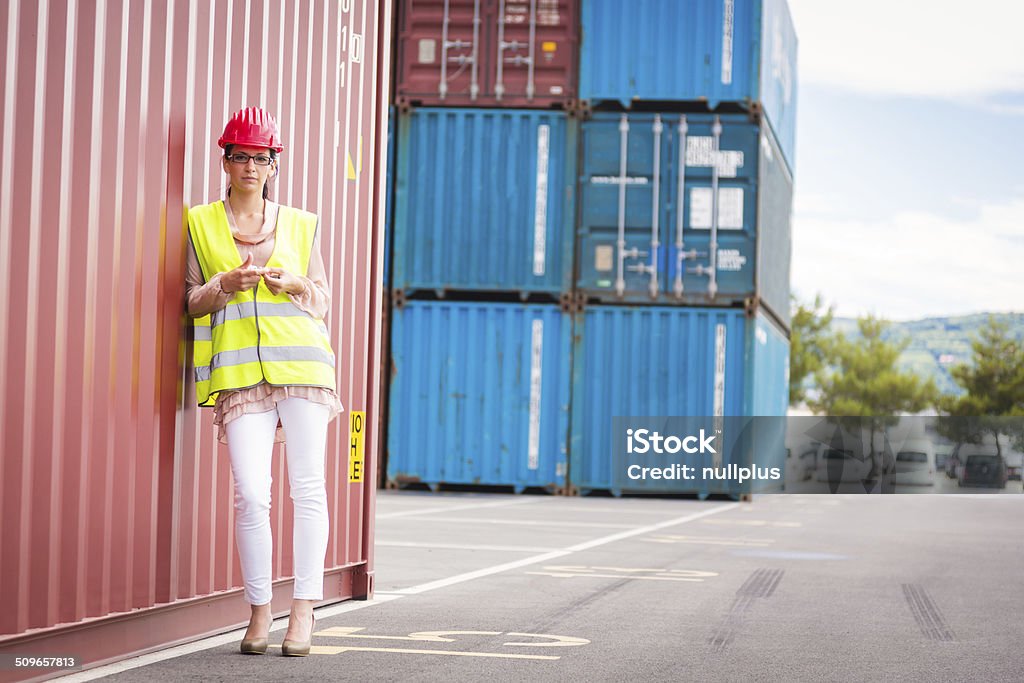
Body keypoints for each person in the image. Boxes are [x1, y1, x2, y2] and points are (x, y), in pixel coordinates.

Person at [185, 106, 343, 657]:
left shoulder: (300, 223)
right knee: (251, 494)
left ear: (273, 164)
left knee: (307, 489)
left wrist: (297, 283)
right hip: (239, 376)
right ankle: (259, 611)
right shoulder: (200, 223)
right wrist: (224, 284)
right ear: (224, 161)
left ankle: (303, 609)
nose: (250, 165)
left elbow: (322, 301)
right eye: (239, 156)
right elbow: (191, 301)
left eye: (260, 157)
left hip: (303, 369)